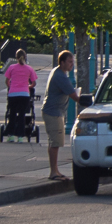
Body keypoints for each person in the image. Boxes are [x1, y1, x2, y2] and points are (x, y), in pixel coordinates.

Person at [41, 51, 82, 182]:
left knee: (55, 142)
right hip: (53, 112)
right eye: (70, 62)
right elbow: (74, 97)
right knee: (55, 143)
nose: (72, 65)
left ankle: (55, 170)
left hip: (54, 112)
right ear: (62, 62)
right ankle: (53, 172)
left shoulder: (58, 72)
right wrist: (88, 101)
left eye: (73, 62)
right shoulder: (60, 76)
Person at [3, 49, 38, 139]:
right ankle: (20, 136)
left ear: (16, 57)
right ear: (25, 57)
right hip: (24, 94)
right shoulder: (29, 68)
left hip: (13, 94)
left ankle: (10, 135)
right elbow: (34, 83)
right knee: (22, 115)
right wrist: (28, 86)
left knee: (12, 114)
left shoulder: (11, 67)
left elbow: (7, 81)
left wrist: (10, 87)